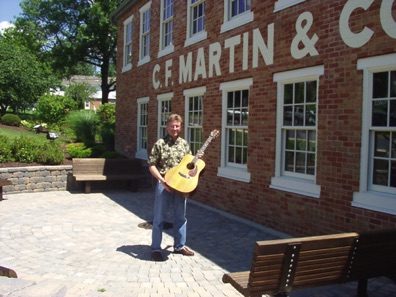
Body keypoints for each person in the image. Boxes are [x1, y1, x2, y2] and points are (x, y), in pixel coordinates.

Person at [147, 114, 196, 262]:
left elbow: (190, 167)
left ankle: (179, 246)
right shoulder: (160, 144)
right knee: (159, 218)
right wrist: (161, 181)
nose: (174, 128)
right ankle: (155, 248)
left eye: (177, 126)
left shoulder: (184, 145)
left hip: (180, 186)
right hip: (164, 185)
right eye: (172, 126)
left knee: (180, 217)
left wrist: (195, 169)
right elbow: (151, 165)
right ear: (167, 127)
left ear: (180, 127)